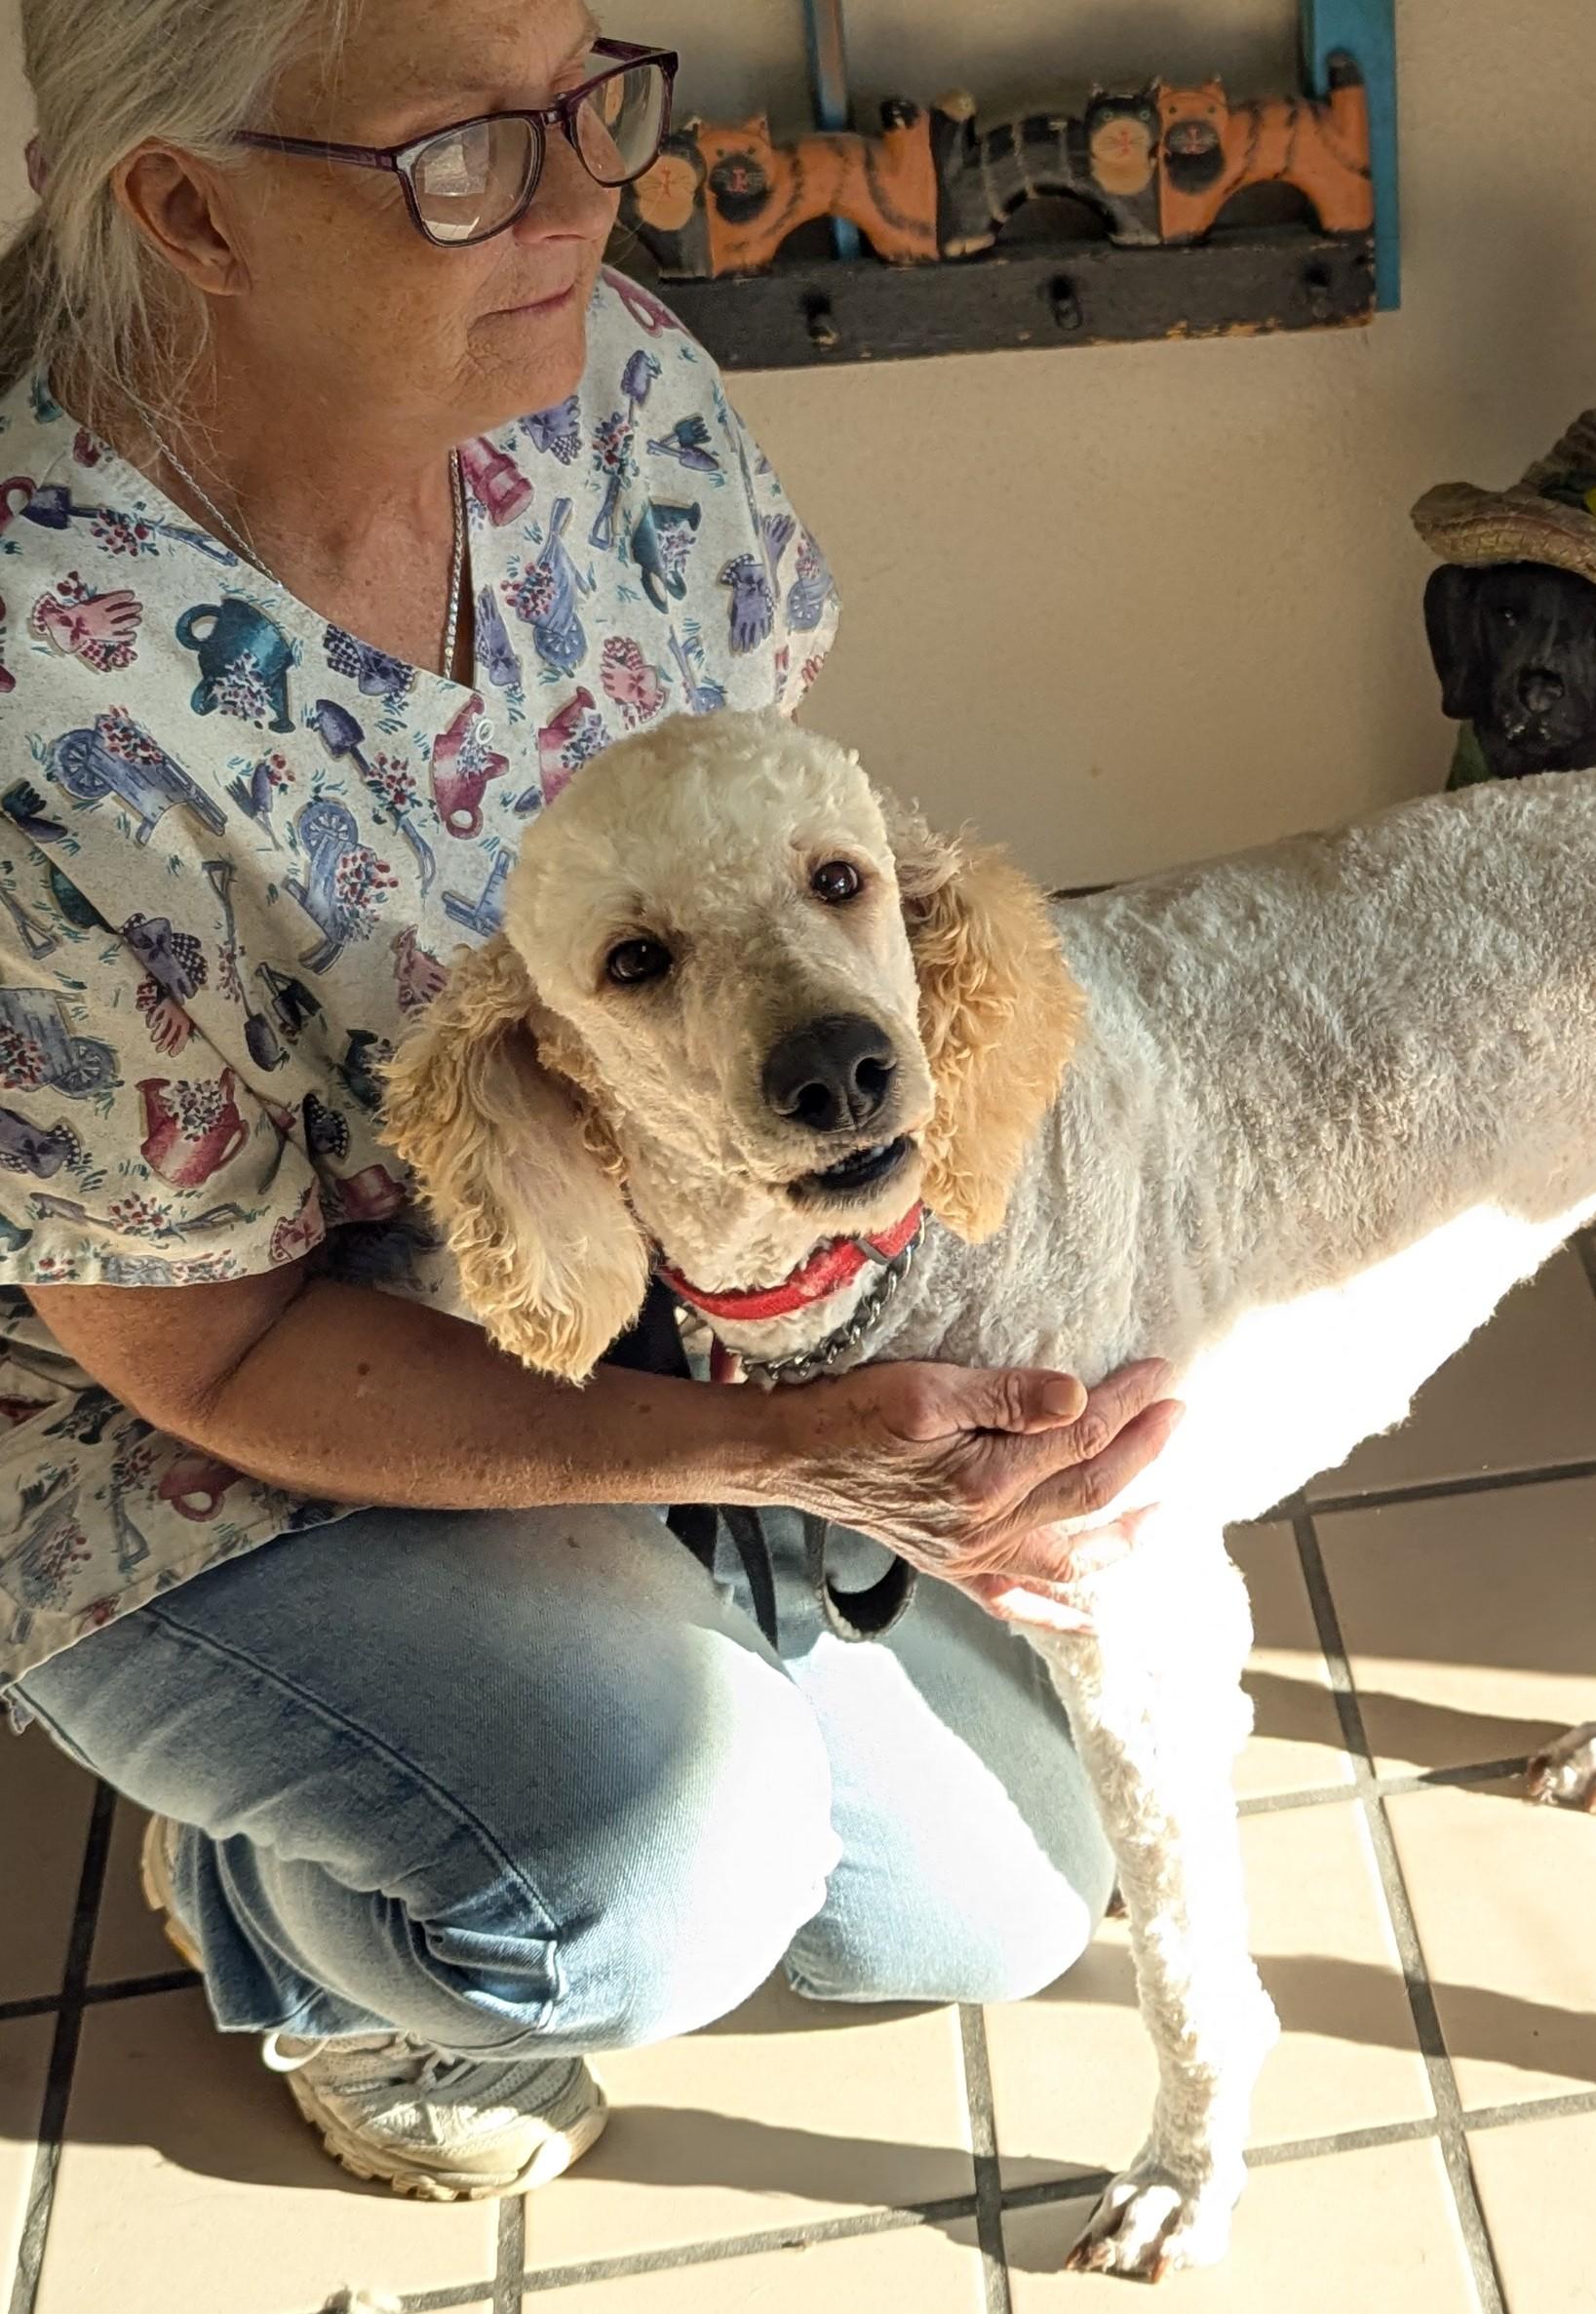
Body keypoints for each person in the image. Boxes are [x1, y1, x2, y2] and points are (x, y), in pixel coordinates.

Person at [0, 0, 1178, 2202]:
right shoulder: (45, 709)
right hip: (181, 1405)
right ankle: (283, 1917)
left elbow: (772, 874)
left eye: (587, 100)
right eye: (463, 152)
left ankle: (610, 1613)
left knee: (1007, 1896)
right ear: (184, 208)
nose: (574, 198)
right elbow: (210, 1340)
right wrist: (779, 1449)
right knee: (650, 1881)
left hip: (606, 1261)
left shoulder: (593, 370)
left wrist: (947, 1378)